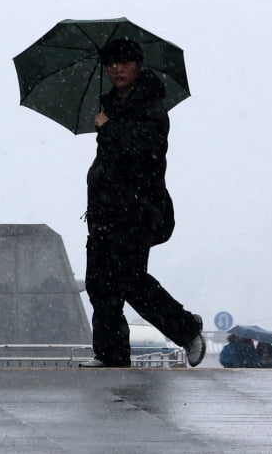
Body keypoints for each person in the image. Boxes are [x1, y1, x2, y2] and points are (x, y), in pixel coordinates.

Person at [80, 38, 206, 368]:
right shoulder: (108, 107)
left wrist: (109, 129)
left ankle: (187, 328)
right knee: (99, 284)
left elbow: (145, 151)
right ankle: (110, 354)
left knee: (130, 280)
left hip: (137, 210)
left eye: (123, 62)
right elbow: (111, 161)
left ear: (138, 65)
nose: (116, 69)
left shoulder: (151, 106)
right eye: (111, 64)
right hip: (104, 211)